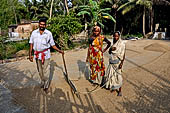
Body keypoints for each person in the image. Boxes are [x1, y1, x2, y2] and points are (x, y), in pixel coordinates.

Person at [29, 18, 64, 93]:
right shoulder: (34, 33)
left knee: (46, 71)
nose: (42, 26)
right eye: (41, 24)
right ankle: (43, 81)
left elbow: (52, 45)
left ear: (45, 25)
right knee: (40, 71)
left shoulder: (48, 33)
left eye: (43, 24)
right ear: (39, 24)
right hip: (37, 55)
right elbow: (31, 43)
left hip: (46, 55)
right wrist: (30, 55)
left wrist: (59, 50)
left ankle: (46, 85)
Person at [104, 31, 126, 96]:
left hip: (118, 63)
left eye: (117, 36)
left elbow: (123, 54)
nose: (116, 37)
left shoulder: (122, 44)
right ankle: (114, 87)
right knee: (111, 76)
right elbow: (109, 52)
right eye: (114, 36)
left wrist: (121, 63)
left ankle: (120, 90)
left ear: (119, 36)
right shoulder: (113, 43)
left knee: (118, 76)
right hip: (111, 62)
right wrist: (111, 49)